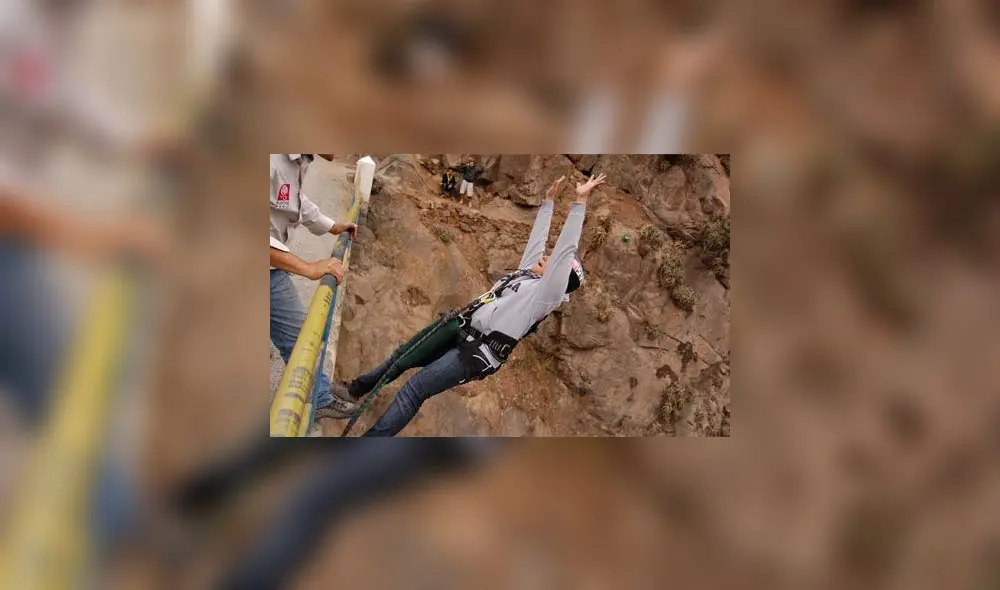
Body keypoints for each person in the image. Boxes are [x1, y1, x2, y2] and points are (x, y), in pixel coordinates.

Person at [333, 173, 607, 436]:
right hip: (463, 326)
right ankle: (355, 390)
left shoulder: (545, 297)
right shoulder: (527, 274)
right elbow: (537, 242)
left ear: (559, 277)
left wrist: (579, 203)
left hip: (479, 352)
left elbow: (564, 254)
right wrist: (548, 204)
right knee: (402, 357)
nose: (545, 256)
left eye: (552, 260)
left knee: (415, 390)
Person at [269, 154, 360, 419]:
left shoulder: (295, 159)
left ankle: (318, 391)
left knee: (301, 337)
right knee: (301, 340)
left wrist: (332, 226)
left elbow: (295, 201)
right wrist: (308, 268)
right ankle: (316, 400)